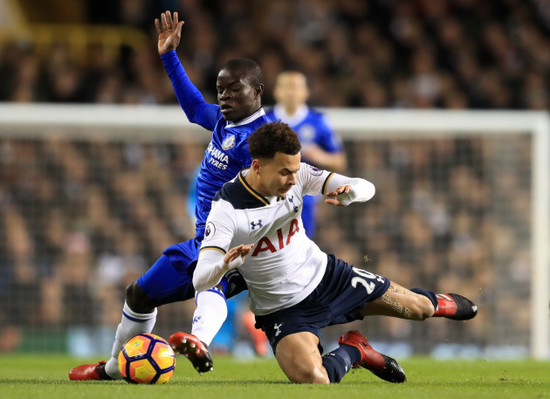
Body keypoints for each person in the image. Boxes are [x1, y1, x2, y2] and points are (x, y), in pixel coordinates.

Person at [69, 10, 272, 380]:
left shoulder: (264, 139)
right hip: (202, 240)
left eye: (234, 90)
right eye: (221, 89)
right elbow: (195, 107)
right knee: (139, 294)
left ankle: (200, 342)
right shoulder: (225, 123)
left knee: (211, 283)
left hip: (238, 243)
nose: (224, 96)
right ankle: (114, 369)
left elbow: (278, 189)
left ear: (257, 92)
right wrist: (169, 56)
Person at [192, 121, 478, 384]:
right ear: (257, 166)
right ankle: (355, 350)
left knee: (421, 309)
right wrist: (224, 265)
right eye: (284, 172)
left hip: (330, 278)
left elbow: (366, 186)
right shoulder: (226, 210)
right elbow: (201, 279)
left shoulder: (300, 174)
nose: (293, 180)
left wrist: (352, 193)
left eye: (295, 169)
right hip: (282, 310)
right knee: (315, 380)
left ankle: (439, 303)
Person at [266, 71, 346, 239]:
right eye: (286, 87)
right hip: (268, 196)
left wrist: (320, 156)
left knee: (301, 248)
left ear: (306, 92)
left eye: (295, 87)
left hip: (304, 199)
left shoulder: (318, 121)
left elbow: (340, 161)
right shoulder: (264, 120)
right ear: (276, 91)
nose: (290, 92)